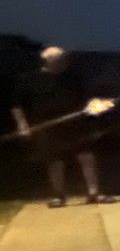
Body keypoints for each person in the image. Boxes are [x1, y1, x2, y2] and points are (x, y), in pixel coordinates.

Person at [9, 46, 110, 207]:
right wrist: (22, 124)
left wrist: (95, 106)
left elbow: (89, 98)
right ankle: (58, 195)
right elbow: (16, 105)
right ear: (48, 60)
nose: (63, 62)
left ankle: (94, 193)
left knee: (87, 157)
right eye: (58, 59)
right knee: (55, 161)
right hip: (48, 126)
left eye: (63, 58)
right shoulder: (31, 79)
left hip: (76, 124)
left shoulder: (73, 77)